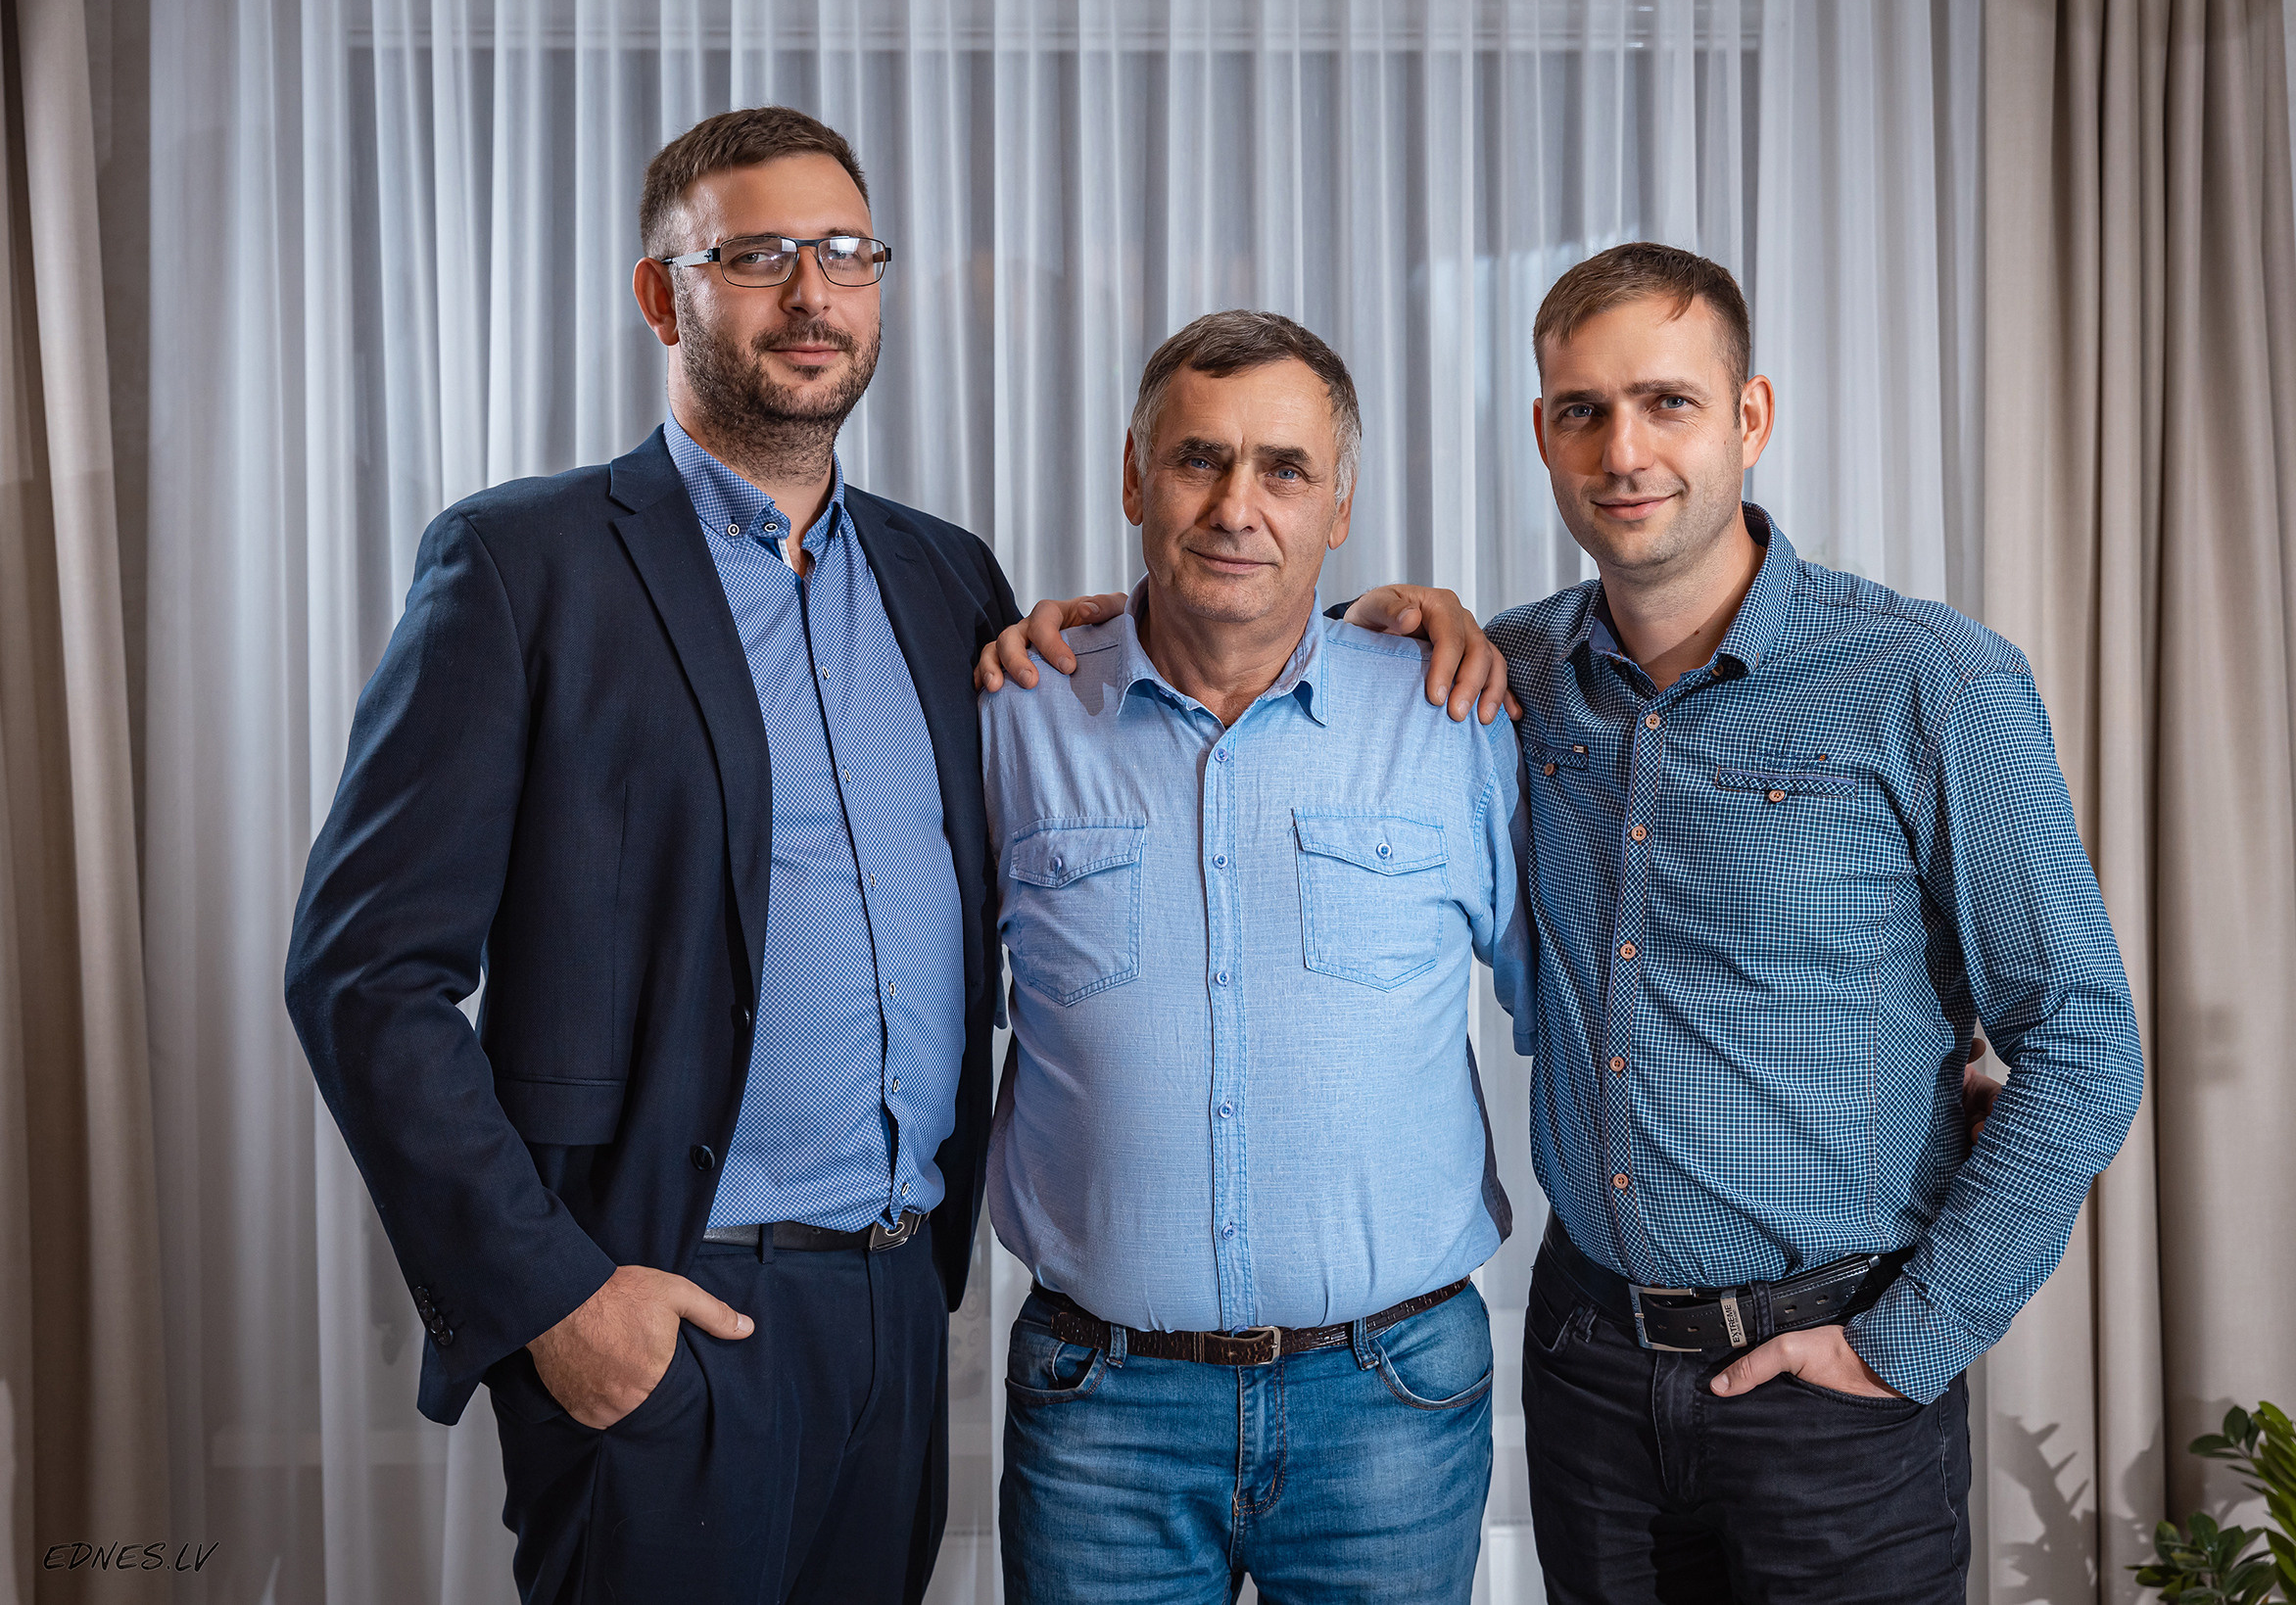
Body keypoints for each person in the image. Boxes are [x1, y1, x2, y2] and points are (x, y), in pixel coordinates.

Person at [285, 107, 1503, 1605]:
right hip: (670, 1299)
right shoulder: (525, 567)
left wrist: (1401, 618)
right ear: (665, 295)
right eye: (760, 254)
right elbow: (361, 975)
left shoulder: (946, 584)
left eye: (847, 253)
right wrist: (552, 1297)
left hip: (890, 1307)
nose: (814, 292)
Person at [981, 242, 2142, 1603]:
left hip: (1832, 1377)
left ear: (1750, 418)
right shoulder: (1494, 678)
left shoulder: (1924, 677)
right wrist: (1255, 623)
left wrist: (1914, 1335)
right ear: (1542, 433)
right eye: (1583, 411)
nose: (1625, 449)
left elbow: (2081, 1037)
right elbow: (1280, 644)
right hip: (1589, 1376)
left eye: (1669, 402)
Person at [981, 309, 1530, 1605]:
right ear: (1133, 476)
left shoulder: (1454, 717)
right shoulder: (1014, 719)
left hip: (1390, 1400)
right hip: (1099, 1408)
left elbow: (1579, 1009)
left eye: (1284, 469)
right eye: (1197, 461)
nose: (1238, 506)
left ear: (1338, 506)